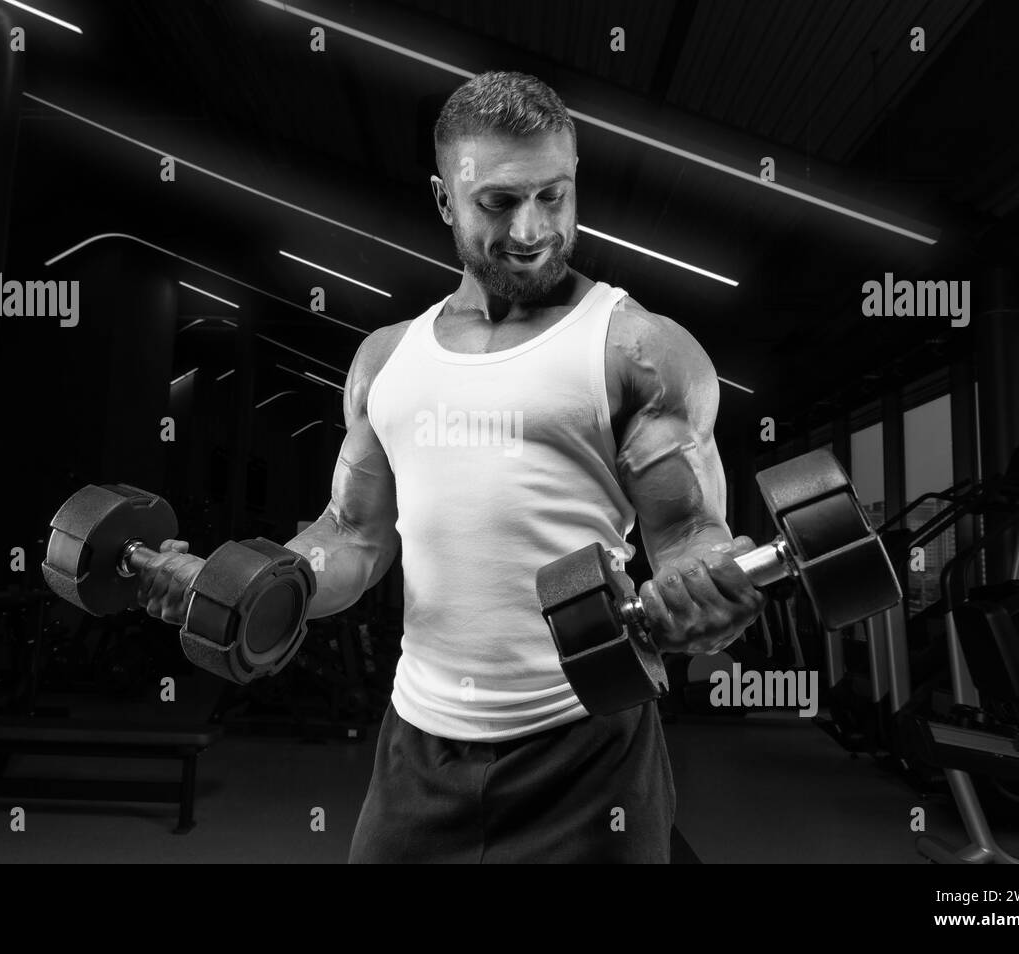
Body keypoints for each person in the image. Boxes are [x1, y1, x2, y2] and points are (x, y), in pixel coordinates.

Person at [136, 71, 765, 863]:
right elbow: (354, 538)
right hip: (417, 751)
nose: (533, 230)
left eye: (555, 196)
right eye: (498, 204)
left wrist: (710, 591)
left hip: (589, 746)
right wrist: (239, 585)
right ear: (444, 200)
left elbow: (689, 537)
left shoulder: (638, 349)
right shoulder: (386, 361)